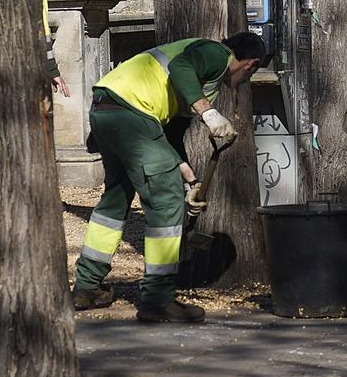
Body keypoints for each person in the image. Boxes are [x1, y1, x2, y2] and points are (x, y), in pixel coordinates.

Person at [72, 32, 267, 323]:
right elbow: (180, 68)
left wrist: (190, 181)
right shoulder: (216, 54)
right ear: (251, 65)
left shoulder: (201, 82)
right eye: (250, 74)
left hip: (106, 108)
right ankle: (158, 300)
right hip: (134, 112)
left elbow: (170, 138)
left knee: (114, 201)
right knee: (166, 202)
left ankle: (86, 287)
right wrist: (208, 113)